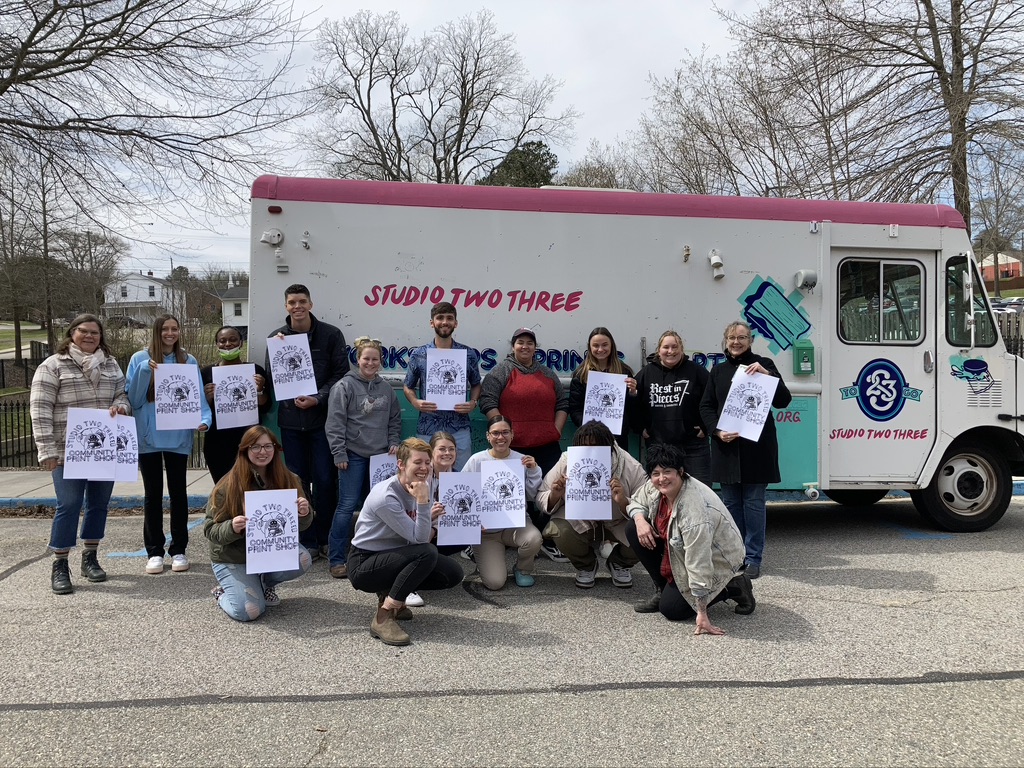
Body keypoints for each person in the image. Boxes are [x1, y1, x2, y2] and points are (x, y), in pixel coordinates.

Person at [29, 314, 131, 594]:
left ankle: (90, 557)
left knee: (99, 504)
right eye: (83, 331)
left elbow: (123, 394)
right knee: (69, 504)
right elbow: (39, 410)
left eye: (95, 333)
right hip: (66, 451)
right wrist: (46, 450)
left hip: (103, 450)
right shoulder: (52, 365)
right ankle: (60, 564)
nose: (89, 336)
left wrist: (121, 407)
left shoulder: (110, 365)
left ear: (101, 336)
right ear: (71, 333)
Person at [625, 443, 755, 634]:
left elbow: (699, 562)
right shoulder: (655, 487)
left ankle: (734, 586)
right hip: (680, 552)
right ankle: (663, 589)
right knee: (632, 528)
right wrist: (639, 520)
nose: (661, 479)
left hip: (716, 560)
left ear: (681, 472)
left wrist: (702, 612)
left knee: (672, 610)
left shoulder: (695, 513)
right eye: (656, 473)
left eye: (667, 472)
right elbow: (636, 501)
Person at [348, 438, 464, 646]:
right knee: (426, 552)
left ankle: (391, 594)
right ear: (401, 464)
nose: (424, 467)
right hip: (365, 562)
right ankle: (384, 615)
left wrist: (433, 519)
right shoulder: (386, 496)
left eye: (427, 462)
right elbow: (420, 539)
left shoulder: (422, 484)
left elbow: (422, 535)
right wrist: (423, 503)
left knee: (452, 573)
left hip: (398, 553)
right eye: (417, 462)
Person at [699, 320, 792, 579]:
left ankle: (753, 558)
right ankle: (734, 555)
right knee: (730, 504)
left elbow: (784, 401)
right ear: (725, 341)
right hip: (726, 447)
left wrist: (769, 376)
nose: (736, 342)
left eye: (742, 337)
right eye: (732, 338)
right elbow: (705, 407)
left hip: (757, 448)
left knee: (753, 503)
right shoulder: (717, 372)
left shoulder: (764, 365)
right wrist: (716, 431)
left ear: (750, 340)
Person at [266, 284, 349, 561]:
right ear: (286, 306)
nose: (297, 306)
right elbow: (271, 378)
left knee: (326, 481)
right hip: (291, 423)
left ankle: (325, 539)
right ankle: (306, 540)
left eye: (302, 301)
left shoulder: (331, 335)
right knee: (296, 482)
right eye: (292, 302)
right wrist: (278, 352)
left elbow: (340, 374)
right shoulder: (276, 338)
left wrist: (319, 398)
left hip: (324, 421)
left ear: (311, 304)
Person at [126, 314, 212, 576]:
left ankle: (179, 549)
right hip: (148, 438)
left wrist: (204, 420)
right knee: (152, 495)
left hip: (178, 437)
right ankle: (154, 551)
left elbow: (197, 397)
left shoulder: (188, 360)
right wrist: (145, 372)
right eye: (165, 329)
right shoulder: (139, 359)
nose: (170, 333)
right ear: (157, 331)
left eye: (175, 328)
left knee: (179, 494)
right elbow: (134, 400)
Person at [203, 426, 313, 622]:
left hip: (267, 554)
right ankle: (222, 593)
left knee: (303, 558)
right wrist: (232, 527)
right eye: (255, 447)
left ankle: (263, 584)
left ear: (275, 449)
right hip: (233, 557)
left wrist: (304, 514)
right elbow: (210, 530)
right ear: (245, 450)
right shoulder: (227, 485)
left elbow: (300, 527)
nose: (263, 452)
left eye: (268, 446)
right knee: (250, 611)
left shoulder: (290, 479)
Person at [479, 327, 569, 562]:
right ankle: (515, 538)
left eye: (530, 343)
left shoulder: (547, 373)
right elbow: (487, 401)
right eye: (520, 342)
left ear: (535, 347)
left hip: (547, 445)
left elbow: (562, 403)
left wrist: (556, 430)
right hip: (514, 447)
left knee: (551, 491)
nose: (525, 346)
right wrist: (503, 432)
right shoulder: (501, 371)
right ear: (513, 346)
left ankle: (546, 539)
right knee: (513, 495)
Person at [537, 420, 647, 589]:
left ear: (610, 446)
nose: (590, 450)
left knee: (646, 531)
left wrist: (624, 501)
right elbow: (541, 496)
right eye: (584, 446)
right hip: (582, 521)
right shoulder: (567, 460)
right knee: (558, 529)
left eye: (597, 446)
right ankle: (586, 566)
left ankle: (620, 563)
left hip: (617, 522)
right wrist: (555, 494)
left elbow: (647, 504)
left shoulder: (629, 465)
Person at [325, 337, 401, 580]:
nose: (370, 363)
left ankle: (372, 554)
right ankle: (337, 558)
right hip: (353, 456)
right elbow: (335, 423)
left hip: (381, 458)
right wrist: (339, 452)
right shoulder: (343, 387)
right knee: (346, 507)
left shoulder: (387, 389)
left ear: (381, 362)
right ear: (357, 360)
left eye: (375, 359)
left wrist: (393, 442)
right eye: (366, 358)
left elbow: (394, 420)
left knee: (379, 507)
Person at [461, 416, 544, 590]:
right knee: (495, 583)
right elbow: (463, 492)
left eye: (505, 432)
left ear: (512, 434)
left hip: (515, 525)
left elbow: (531, 496)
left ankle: (522, 569)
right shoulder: (476, 461)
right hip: (486, 532)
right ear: (487, 436)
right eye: (495, 433)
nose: (501, 437)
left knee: (534, 538)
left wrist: (534, 471)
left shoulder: (522, 460)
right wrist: (471, 523)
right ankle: (486, 560)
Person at [403, 302, 482, 470]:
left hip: (459, 427)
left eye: (449, 318)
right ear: (432, 323)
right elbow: (407, 386)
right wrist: (415, 402)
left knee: (462, 477)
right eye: (440, 318)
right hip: (427, 426)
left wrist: (473, 403)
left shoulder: (468, 354)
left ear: (456, 323)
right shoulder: (419, 354)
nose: (445, 322)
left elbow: (476, 384)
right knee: (425, 475)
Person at [632, 330, 711, 486]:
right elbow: (632, 404)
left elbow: (712, 399)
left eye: (675, 347)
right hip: (660, 447)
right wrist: (640, 428)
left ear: (681, 349)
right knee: (662, 495)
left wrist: (706, 426)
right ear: (659, 350)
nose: (670, 351)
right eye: (666, 347)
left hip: (693, 447)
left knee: (701, 494)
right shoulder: (646, 373)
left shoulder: (696, 371)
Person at [200, 325, 270, 482]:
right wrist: (208, 397)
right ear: (216, 344)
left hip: (249, 440)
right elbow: (200, 411)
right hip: (217, 442)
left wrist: (258, 390)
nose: (227, 344)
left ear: (241, 343)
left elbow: (266, 406)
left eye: (233, 340)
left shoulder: (255, 370)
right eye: (222, 341)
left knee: (250, 486)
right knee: (223, 488)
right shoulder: (206, 373)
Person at [568, 327, 637, 451]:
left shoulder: (624, 372)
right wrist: (590, 427)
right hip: (590, 439)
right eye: (596, 345)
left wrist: (633, 393)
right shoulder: (581, 375)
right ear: (590, 348)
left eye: (605, 345)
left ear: (612, 346)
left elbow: (631, 410)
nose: (600, 349)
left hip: (618, 439)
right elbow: (575, 409)